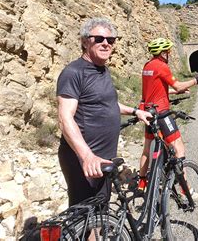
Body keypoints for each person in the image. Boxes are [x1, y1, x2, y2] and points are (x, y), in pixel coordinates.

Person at [57, 17, 152, 206]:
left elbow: (108, 104)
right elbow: (64, 118)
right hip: (83, 159)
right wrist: (87, 156)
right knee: (85, 215)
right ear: (85, 41)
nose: (106, 43)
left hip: (104, 156)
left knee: (100, 208)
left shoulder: (102, 70)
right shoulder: (74, 72)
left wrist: (136, 112)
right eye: (99, 39)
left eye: (111, 40)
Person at [137, 37, 198, 192]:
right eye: (168, 51)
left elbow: (156, 89)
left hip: (148, 112)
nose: (169, 54)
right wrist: (196, 80)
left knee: (147, 149)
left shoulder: (147, 66)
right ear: (162, 53)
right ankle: (185, 189)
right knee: (179, 148)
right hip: (162, 114)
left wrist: (176, 91)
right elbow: (178, 84)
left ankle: (142, 182)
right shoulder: (161, 66)